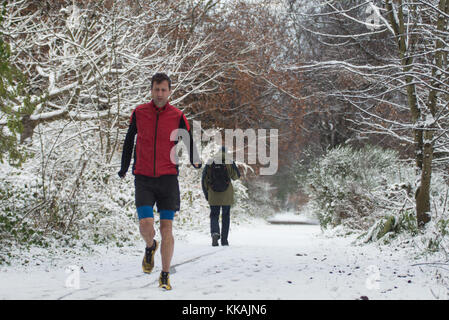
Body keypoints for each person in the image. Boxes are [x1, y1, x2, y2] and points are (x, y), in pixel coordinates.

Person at [118, 72, 201, 290]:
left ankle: (164, 274)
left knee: (167, 229)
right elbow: (129, 142)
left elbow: (188, 141)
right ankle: (150, 245)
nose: (160, 93)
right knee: (146, 225)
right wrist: (124, 167)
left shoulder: (177, 115)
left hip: (167, 180)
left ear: (170, 91)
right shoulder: (139, 113)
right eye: (156, 89)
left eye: (164, 89)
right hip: (144, 178)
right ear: (151, 90)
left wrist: (196, 161)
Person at [201, 146, 241, 246]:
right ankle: (224, 240)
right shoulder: (229, 161)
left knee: (214, 215)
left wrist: (207, 194)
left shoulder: (210, 161)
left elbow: (204, 180)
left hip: (213, 194)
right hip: (226, 194)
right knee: (226, 216)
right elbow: (236, 176)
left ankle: (215, 233)